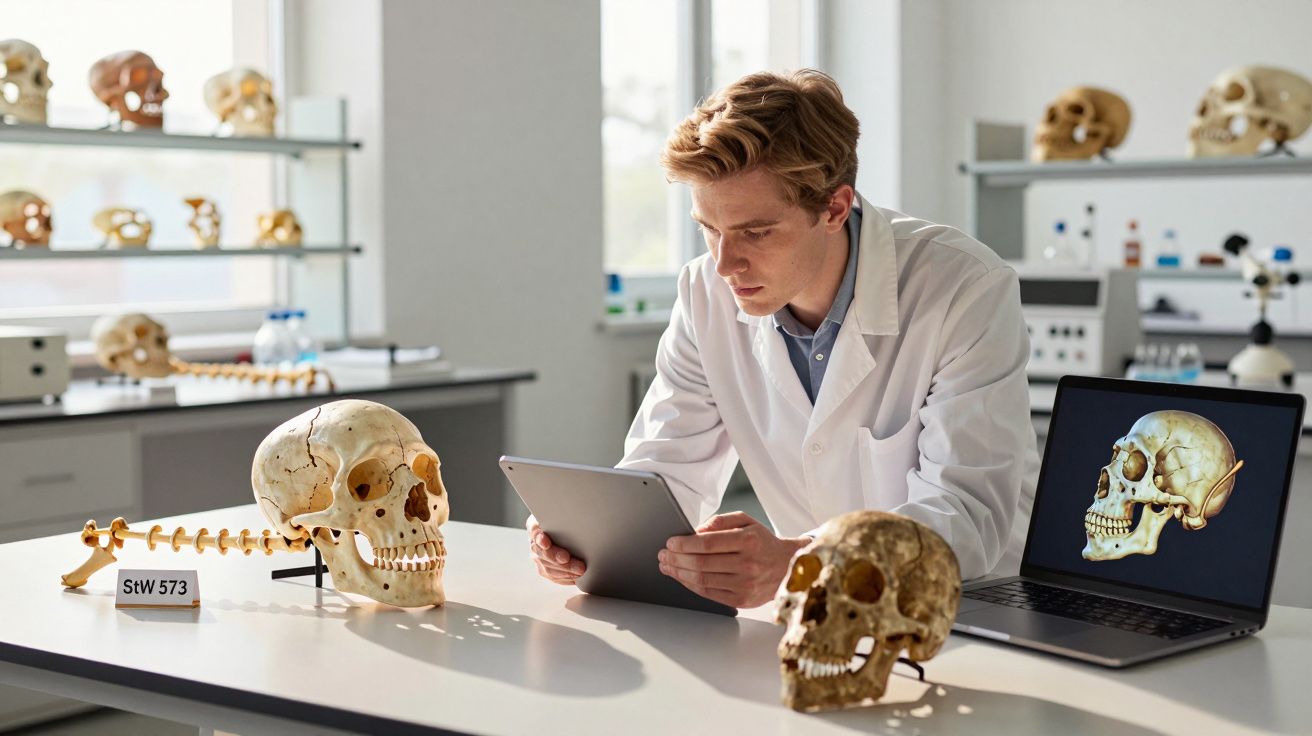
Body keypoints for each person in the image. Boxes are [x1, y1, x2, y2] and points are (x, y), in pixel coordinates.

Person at [528, 69, 1038, 608]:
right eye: (709, 229)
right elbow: (665, 473)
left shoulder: (963, 287)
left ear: (834, 209)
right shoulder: (704, 293)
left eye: (756, 232)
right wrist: (592, 534)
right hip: (816, 610)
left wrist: (800, 561)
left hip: (975, 607)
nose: (725, 264)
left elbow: (965, 516)